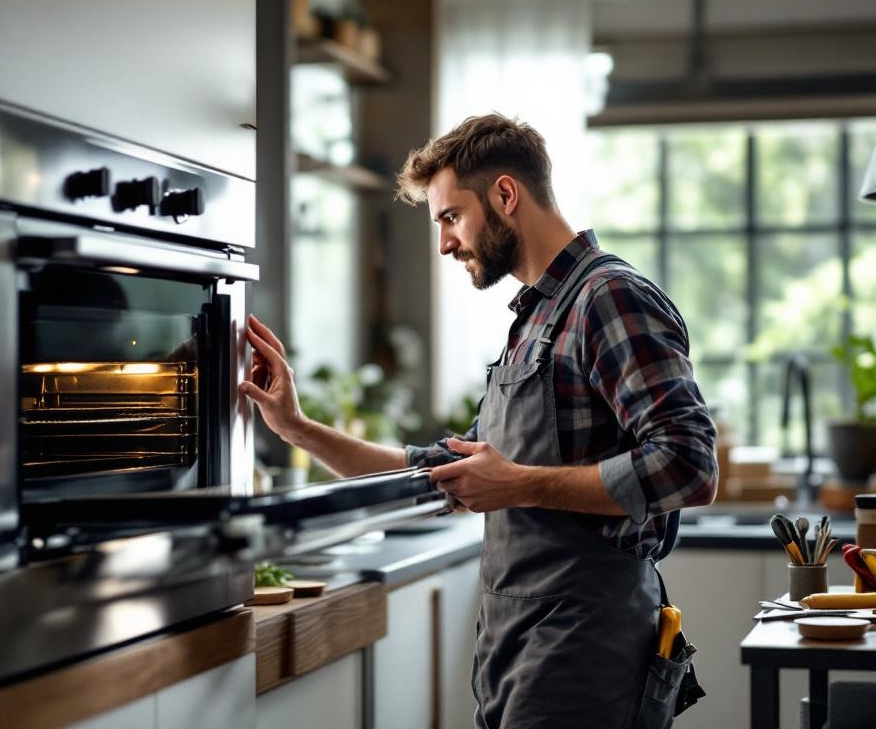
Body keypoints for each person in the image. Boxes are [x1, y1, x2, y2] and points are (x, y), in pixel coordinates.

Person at [239, 113, 718, 728]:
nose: (444, 243)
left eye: (449, 217)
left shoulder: (609, 297)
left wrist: (517, 483)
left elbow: (689, 464)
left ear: (505, 195)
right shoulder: (535, 320)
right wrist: (296, 427)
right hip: (515, 645)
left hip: (588, 646)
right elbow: (442, 473)